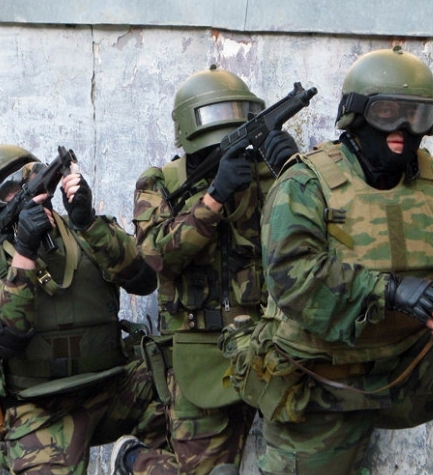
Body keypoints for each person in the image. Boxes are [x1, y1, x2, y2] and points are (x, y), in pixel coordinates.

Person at [227, 46, 433, 475]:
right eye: (387, 113)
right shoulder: (305, 184)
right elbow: (293, 277)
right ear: (356, 115)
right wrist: (391, 291)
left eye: (417, 116)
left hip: (411, 365)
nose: (402, 129)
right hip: (322, 376)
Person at [110, 65, 299, 475]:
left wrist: (295, 170)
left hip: (269, 343)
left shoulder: (265, 175)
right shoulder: (161, 182)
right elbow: (156, 257)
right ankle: (134, 460)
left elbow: (309, 238)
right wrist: (214, 199)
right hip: (199, 352)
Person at [0, 144, 165, 475]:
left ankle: (134, 461)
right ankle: (5, 459)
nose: (27, 188)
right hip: (40, 408)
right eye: (9, 187)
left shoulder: (84, 233)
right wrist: (25, 251)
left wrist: (87, 221)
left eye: (30, 176)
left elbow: (143, 279)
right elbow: (9, 338)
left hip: (112, 387)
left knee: (179, 369)